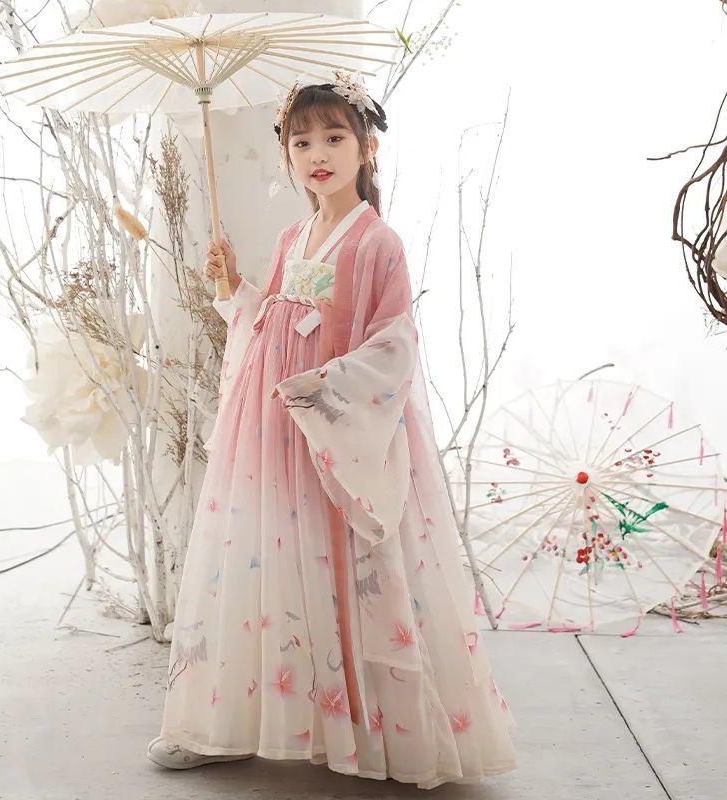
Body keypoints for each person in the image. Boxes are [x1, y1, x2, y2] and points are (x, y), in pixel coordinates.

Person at [147, 71, 518, 790]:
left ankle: (377, 730)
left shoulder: (379, 243)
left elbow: (394, 345)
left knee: (346, 564)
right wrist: (233, 286)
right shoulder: (294, 237)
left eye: (334, 137)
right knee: (278, 561)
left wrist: (327, 386)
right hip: (276, 422)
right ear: (286, 154)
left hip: (336, 423)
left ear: (366, 148)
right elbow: (270, 321)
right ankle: (237, 720)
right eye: (301, 142)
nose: (317, 154)